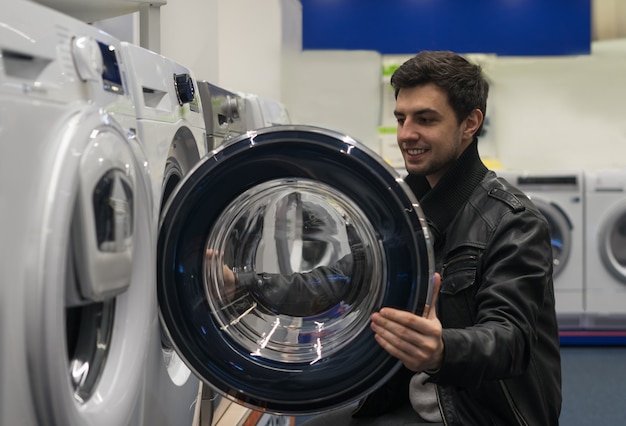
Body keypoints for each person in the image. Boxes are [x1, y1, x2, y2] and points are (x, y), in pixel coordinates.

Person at [301, 50, 562, 425]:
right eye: (401, 119)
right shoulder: (401, 210)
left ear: (470, 123)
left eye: (425, 119)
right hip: (405, 394)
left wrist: (442, 349)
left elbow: (510, 340)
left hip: (478, 412)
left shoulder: (514, 222)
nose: (406, 134)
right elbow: (338, 277)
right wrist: (243, 284)